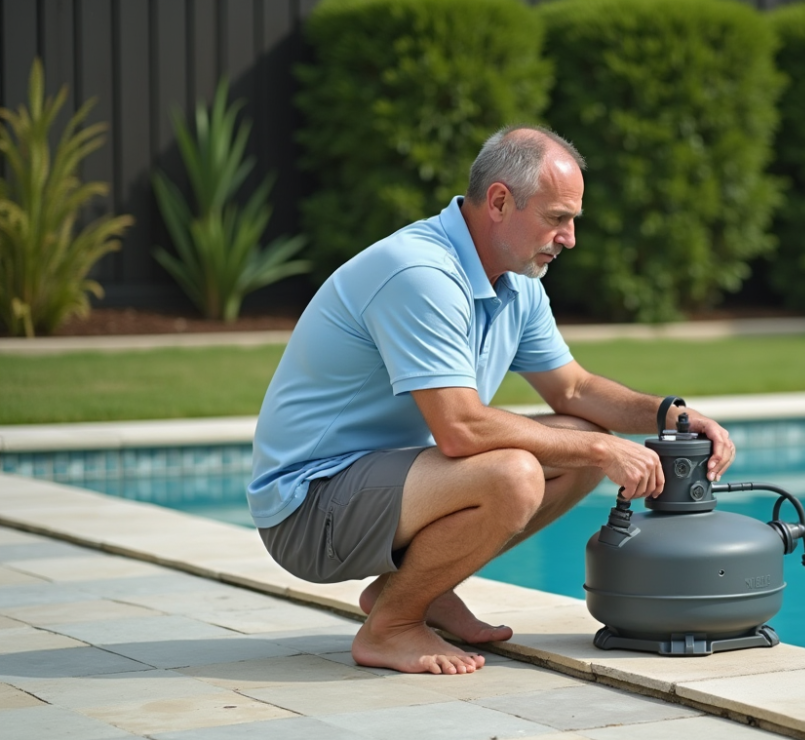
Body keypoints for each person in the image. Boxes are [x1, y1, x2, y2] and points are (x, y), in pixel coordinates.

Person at [248, 125, 737, 675]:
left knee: (577, 438)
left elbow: (573, 389)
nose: (570, 238)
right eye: (557, 218)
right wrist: (604, 452)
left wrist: (674, 415)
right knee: (517, 474)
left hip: (382, 486)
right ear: (500, 201)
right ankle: (391, 627)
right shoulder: (421, 275)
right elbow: (460, 429)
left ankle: (415, 592)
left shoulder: (517, 281)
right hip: (309, 508)